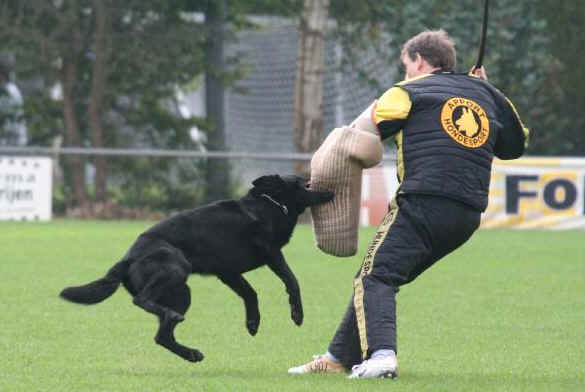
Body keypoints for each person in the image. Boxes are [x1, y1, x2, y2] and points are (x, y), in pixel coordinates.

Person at [288, 29, 529, 379]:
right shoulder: (489, 97)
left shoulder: (407, 91)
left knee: (376, 276)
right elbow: (515, 144)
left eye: (405, 66)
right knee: (380, 277)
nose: (404, 73)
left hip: (422, 203)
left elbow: (359, 137)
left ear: (417, 60)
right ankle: (337, 358)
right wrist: (488, 90)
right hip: (466, 216)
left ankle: (382, 357)